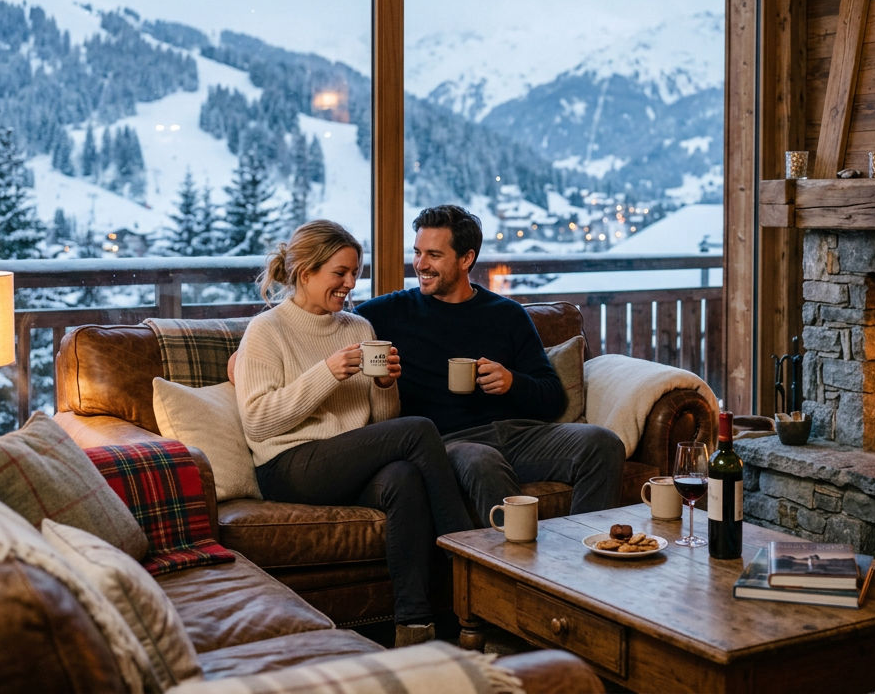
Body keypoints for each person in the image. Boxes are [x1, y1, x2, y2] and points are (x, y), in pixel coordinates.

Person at [233, 219, 472, 648]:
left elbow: (380, 425)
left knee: (403, 478)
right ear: (305, 273)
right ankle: (472, 559)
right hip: (288, 464)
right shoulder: (267, 331)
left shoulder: (358, 329)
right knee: (418, 430)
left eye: (354, 273)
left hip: (344, 463)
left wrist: (384, 385)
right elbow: (258, 420)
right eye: (339, 273)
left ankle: (415, 626)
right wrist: (326, 374)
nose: (349, 284)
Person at [356, 204, 626, 527]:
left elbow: (553, 398)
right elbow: (335, 322)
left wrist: (512, 382)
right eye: (417, 252)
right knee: (484, 463)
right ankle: (514, 573)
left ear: (466, 259)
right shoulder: (389, 313)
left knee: (603, 444)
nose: (420, 265)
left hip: (519, 435)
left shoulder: (507, 315)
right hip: (449, 443)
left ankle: (581, 561)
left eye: (433, 255)